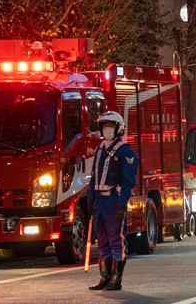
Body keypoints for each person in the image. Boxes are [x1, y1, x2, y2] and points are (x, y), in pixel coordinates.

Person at [87, 111, 139, 291]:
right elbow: (93, 177)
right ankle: (105, 277)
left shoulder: (124, 151)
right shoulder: (100, 149)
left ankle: (116, 279)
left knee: (117, 238)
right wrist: (90, 200)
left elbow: (128, 182)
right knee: (101, 239)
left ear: (118, 129)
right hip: (100, 201)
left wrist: (121, 205)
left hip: (114, 200)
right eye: (104, 126)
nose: (107, 130)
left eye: (110, 126)